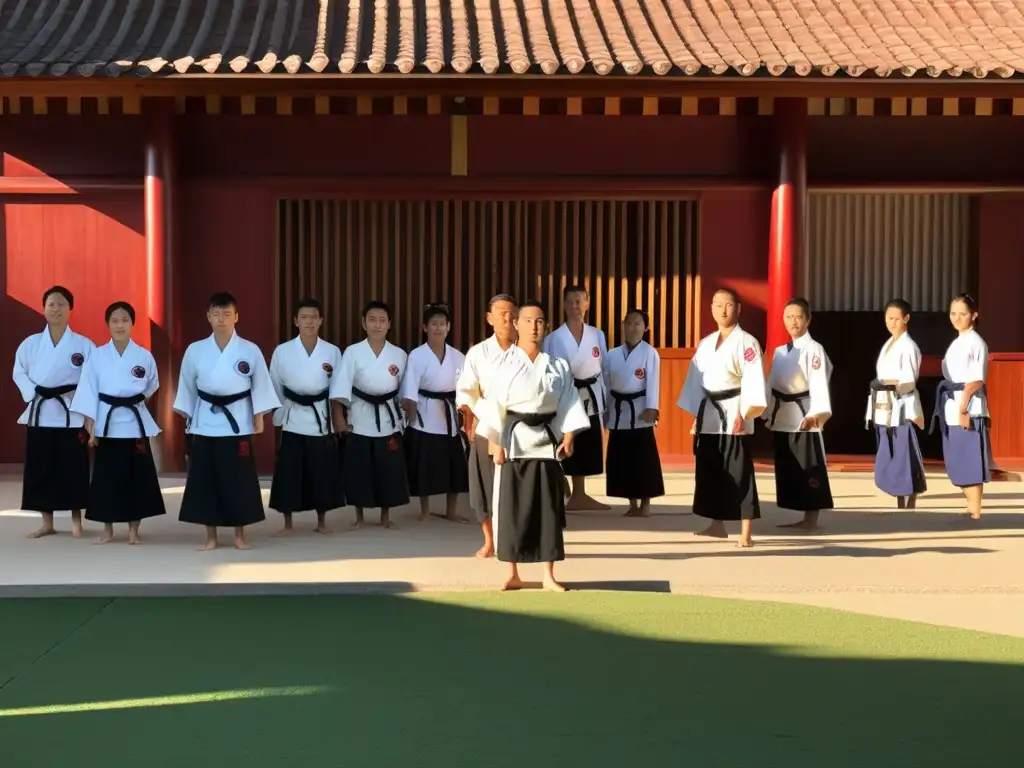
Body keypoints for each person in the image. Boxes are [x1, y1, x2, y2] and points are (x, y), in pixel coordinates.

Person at [474, 301, 591, 591]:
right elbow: (494, 405)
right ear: (516, 324)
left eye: (539, 322)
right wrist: (495, 442)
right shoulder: (502, 364)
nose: (534, 327)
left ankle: (548, 575)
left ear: (546, 326)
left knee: (547, 508)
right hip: (513, 440)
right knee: (512, 508)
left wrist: (569, 435)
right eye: (528, 321)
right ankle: (512, 572)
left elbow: (568, 402)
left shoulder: (558, 365)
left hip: (547, 441)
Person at [173, 292, 280, 550]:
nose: (221, 319)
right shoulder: (196, 350)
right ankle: (210, 536)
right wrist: (188, 418)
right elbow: (187, 387)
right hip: (206, 421)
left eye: (227, 314)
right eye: (216, 314)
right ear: (208, 317)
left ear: (236, 317)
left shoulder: (249, 350)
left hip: (239, 421)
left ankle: (239, 535)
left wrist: (259, 417)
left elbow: (260, 385)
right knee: (206, 480)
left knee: (239, 480)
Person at [70, 302, 166, 544]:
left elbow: (152, 384)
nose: (120, 325)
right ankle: (107, 529)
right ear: (108, 324)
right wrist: (91, 429)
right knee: (106, 478)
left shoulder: (143, 356)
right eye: (115, 320)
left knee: (137, 477)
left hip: (134, 422)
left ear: (132, 323)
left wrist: (136, 400)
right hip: (107, 421)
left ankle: (134, 530)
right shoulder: (98, 355)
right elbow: (88, 391)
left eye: (125, 320)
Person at [677, 288, 766, 548]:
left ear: (739, 308)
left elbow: (753, 378)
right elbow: (696, 381)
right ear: (712, 309)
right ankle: (716, 524)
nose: (723, 310)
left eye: (728, 305)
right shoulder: (706, 343)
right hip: (710, 413)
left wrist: (744, 412)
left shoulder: (747, 343)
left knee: (739, 472)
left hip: (734, 410)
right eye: (717, 305)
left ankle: (746, 531)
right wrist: (697, 414)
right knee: (711, 470)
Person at [12, 285, 95, 539]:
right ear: (43, 308)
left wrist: (88, 417)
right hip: (41, 412)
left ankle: (76, 522)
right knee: (42, 468)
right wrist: (34, 392)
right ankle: (47, 522)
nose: (55, 309)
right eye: (51, 304)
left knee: (73, 469)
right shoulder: (31, 344)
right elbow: (19, 372)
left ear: (71, 309)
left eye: (61, 304)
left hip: (70, 414)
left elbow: (91, 380)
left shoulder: (83, 345)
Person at [267, 298, 346, 535]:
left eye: (314, 317)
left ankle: (322, 522)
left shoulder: (331, 351)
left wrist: (337, 418)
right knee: (289, 472)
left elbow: (338, 388)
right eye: (304, 317)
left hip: (320, 417)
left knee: (321, 471)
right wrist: (279, 415)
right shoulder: (282, 351)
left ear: (321, 320)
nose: (309, 322)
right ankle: (287, 523)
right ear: (296, 321)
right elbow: (275, 386)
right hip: (293, 416)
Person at [336, 300, 410, 529]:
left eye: (382, 320)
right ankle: (359, 516)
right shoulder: (352, 352)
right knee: (359, 468)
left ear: (389, 324)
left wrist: (405, 418)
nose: (377, 325)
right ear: (363, 323)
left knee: (388, 469)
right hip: (359, 416)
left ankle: (385, 516)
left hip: (388, 418)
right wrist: (339, 419)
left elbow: (405, 390)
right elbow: (340, 388)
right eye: (372, 319)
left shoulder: (398, 354)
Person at [763, 298, 834, 531]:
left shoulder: (814, 349)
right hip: (783, 413)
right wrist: (766, 410)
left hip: (805, 413)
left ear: (808, 319)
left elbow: (818, 380)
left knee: (809, 464)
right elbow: (771, 383)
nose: (793, 321)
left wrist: (816, 412)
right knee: (791, 466)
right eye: (788, 317)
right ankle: (803, 515)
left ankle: (811, 517)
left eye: (798, 316)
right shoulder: (781, 351)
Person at [455, 293, 518, 557]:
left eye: (511, 312)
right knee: (483, 486)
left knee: (516, 486)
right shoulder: (478, 352)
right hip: (486, 425)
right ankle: (489, 539)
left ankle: (515, 538)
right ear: (489, 318)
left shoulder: (528, 350)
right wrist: (472, 420)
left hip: (519, 426)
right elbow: (466, 392)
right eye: (500, 313)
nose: (506, 318)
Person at [543, 284, 609, 511]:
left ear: (587, 304)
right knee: (566, 442)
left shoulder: (597, 334)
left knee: (588, 443)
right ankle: (565, 487)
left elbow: (604, 368)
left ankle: (581, 493)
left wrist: (605, 400)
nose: (575, 306)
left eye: (579, 301)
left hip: (591, 394)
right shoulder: (553, 338)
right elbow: (548, 370)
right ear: (563, 305)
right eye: (570, 301)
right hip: (566, 395)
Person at [401, 302, 469, 523]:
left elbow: (465, 390)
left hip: (450, 415)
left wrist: (465, 419)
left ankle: (451, 510)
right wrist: (409, 417)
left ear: (448, 327)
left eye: (442, 324)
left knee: (455, 466)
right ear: (425, 327)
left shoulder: (458, 356)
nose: (438, 328)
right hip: (424, 414)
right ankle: (425, 510)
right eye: (434, 324)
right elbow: (410, 388)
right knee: (425, 465)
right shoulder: (417, 356)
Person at [930, 293, 990, 520]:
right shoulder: (957, 342)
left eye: (962, 313)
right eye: (953, 313)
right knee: (957, 458)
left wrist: (964, 409)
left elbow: (976, 380)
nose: (957, 317)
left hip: (968, 405)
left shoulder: (976, 342)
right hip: (953, 403)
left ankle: (975, 511)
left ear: (974, 315)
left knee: (969, 458)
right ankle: (970, 508)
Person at [603, 308, 664, 517]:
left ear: (645, 328)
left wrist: (652, 408)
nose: (633, 327)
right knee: (623, 458)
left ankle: (645, 504)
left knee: (643, 459)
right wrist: (606, 411)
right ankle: (632, 503)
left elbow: (654, 382)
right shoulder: (611, 355)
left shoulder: (649, 353)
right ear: (623, 325)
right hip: (618, 410)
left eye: (638, 324)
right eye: (629, 323)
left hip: (640, 410)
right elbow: (606, 384)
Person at [866, 298, 927, 508]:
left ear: (906, 319)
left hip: (901, 405)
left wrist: (886, 383)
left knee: (904, 452)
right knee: (889, 450)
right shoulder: (888, 344)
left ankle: (910, 499)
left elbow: (909, 379)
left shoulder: (908, 346)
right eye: (889, 318)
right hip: (885, 405)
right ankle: (899, 497)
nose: (892, 322)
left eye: (896, 318)